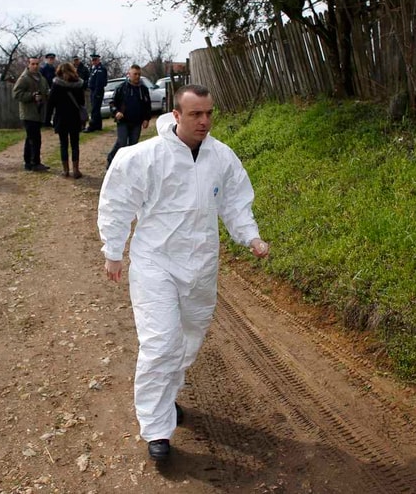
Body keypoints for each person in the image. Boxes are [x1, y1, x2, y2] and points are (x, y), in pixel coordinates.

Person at [97, 84, 270, 462]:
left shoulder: (221, 157)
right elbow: (117, 201)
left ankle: (166, 398)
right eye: (195, 114)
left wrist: (251, 237)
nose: (204, 121)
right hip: (154, 263)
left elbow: (236, 201)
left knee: (188, 339)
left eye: (209, 113)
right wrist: (113, 251)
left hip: (201, 266)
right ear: (176, 115)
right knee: (161, 344)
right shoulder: (145, 157)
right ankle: (157, 428)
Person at [106, 64, 151, 168]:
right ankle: (111, 159)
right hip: (123, 121)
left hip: (137, 122)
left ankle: (128, 166)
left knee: (133, 145)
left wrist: (146, 118)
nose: (137, 76)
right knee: (122, 143)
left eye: (139, 74)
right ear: (129, 74)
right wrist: (116, 112)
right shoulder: (121, 88)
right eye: (135, 74)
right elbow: (112, 103)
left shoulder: (143, 89)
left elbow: (147, 105)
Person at [45, 62, 85, 178]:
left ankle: (66, 170)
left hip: (61, 117)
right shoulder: (78, 84)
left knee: (63, 144)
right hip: (74, 117)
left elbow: (50, 103)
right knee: (75, 144)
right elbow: (82, 102)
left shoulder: (56, 84)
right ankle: (76, 170)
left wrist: (47, 120)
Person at [12, 56, 51, 171]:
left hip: (38, 113)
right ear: (28, 65)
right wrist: (31, 96)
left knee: (31, 138)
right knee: (35, 139)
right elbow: (16, 94)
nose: (35, 66)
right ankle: (35, 163)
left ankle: (28, 162)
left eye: (37, 64)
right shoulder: (24, 78)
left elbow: (46, 90)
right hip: (28, 113)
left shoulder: (41, 78)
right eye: (33, 64)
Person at [85, 53, 107, 132]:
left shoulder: (100, 69)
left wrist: (97, 93)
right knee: (96, 109)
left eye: (95, 60)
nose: (93, 61)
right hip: (93, 90)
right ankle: (98, 125)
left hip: (97, 91)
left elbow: (99, 82)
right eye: (92, 60)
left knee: (95, 109)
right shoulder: (94, 69)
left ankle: (92, 126)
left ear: (98, 60)